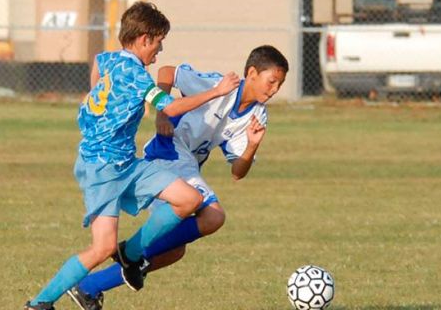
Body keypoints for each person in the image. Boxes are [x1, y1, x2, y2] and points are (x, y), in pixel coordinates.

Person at [24, 1, 240, 310]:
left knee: (189, 199)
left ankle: (132, 254)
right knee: (101, 248)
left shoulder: (114, 60)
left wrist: (97, 95)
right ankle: (39, 304)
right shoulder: (136, 75)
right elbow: (170, 107)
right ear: (143, 39)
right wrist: (217, 92)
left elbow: (98, 63)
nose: (160, 50)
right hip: (103, 168)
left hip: (126, 162)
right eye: (159, 41)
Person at [66, 45, 289, 310]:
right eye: (271, 81)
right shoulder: (218, 84)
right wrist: (163, 112)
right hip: (168, 152)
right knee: (213, 216)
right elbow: (168, 72)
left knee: (174, 250)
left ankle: (89, 287)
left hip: (186, 165)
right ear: (252, 73)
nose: (274, 89)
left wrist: (252, 145)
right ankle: (130, 252)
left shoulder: (258, 115)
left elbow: (237, 173)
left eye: (280, 84)